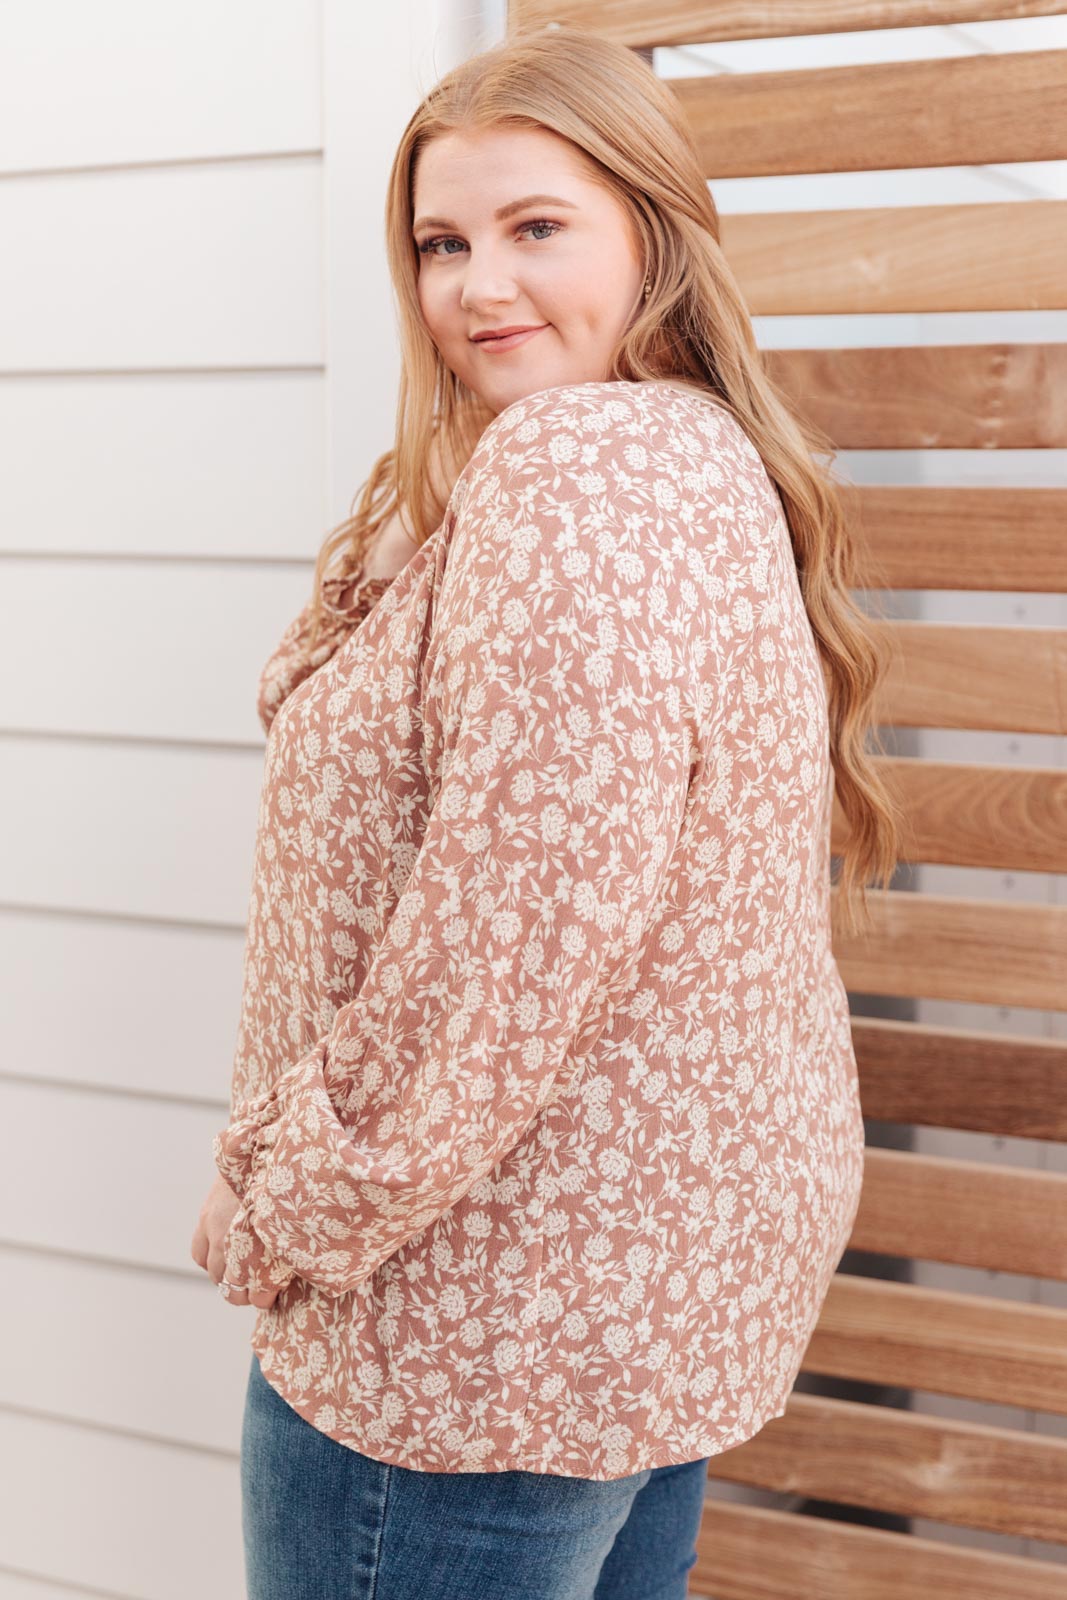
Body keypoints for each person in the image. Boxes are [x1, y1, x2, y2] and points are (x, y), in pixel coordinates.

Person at [189, 22, 900, 1600]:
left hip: (466, 1333)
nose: (477, 286)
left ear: (652, 233)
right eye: (442, 243)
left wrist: (287, 1196)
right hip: (628, 1304)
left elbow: (506, 942)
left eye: (534, 228)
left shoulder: (577, 475)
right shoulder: (683, 453)